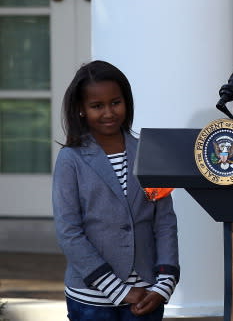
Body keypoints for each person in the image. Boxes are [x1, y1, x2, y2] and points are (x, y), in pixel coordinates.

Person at [52, 60, 180, 320]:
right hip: (92, 299)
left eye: (115, 102)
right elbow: (69, 232)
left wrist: (165, 283)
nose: (108, 112)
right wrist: (118, 290)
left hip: (147, 295)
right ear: (80, 110)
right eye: (97, 106)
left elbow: (165, 222)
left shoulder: (150, 153)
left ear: (127, 102)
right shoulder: (71, 159)